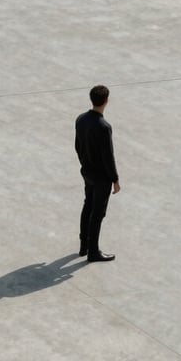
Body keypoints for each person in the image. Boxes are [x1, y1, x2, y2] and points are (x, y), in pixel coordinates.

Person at [75, 85, 121, 262]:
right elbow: (108, 157)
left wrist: (84, 164)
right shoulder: (104, 127)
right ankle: (93, 252)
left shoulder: (80, 119)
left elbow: (77, 146)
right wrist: (115, 179)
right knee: (97, 213)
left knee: (87, 205)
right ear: (106, 100)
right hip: (101, 177)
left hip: (87, 172)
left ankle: (83, 245)